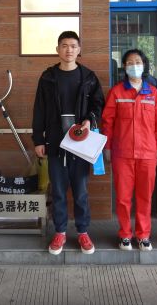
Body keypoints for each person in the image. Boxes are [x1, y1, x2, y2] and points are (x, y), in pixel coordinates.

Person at [32, 31, 104, 255]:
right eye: (64, 45)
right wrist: (38, 139)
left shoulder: (89, 77)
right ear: (57, 49)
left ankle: (83, 232)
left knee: (81, 191)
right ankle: (60, 232)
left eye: (73, 46)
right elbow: (39, 110)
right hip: (56, 143)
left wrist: (89, 119)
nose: (69, 50)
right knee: (59, 191)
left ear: (79, 49)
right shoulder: (48, 78)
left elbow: (98, 104)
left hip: (81, 145)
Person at [102, 49, 157, 251]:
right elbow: (107, 123)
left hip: (147, 153)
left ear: (144, 65)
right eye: (129, 62)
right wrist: (107, 147)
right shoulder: (116, 92)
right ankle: (125, 235)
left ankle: (143, 235)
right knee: (123, 198)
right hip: (122, 154)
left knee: (145, 197)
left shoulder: (153, 93)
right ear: (124, 66)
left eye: (137, 62)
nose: (134, 65)